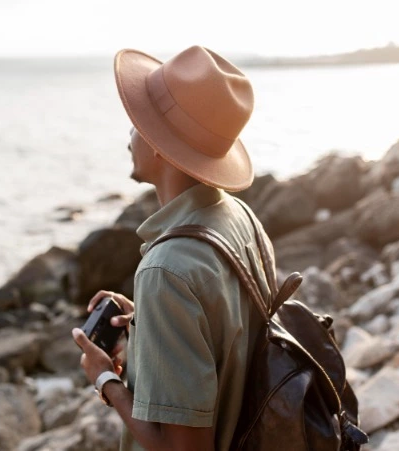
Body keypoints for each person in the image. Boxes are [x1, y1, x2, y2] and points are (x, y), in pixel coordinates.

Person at [72, 45, 275, 451]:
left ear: (160, 145)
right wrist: (149, 325)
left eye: (137, 122)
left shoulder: (165, 272)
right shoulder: (239, 216)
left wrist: (106, 381)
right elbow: (227, 337)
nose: (129, 132)